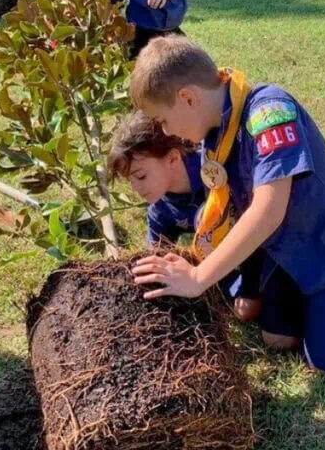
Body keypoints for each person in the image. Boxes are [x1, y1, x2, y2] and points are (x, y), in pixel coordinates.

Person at [128, 36, 325, 374]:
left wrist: (198, 277)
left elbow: (268, 211)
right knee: (277, 338)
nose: (168, 131)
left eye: (163, 120)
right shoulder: (214, 137)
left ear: (188, 98)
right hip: (289, 257)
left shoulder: (269, 110)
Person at [107, 110, 261, 322]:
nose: (135, 188)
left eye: (141, 176)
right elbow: (154, 260)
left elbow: (256, 224)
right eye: (129, 180)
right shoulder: (161, 210)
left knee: (252, 312)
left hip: (262, 246)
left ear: (172, 158)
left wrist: (250, 289)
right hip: (221, 265)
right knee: (239, 311)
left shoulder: (217, 172)